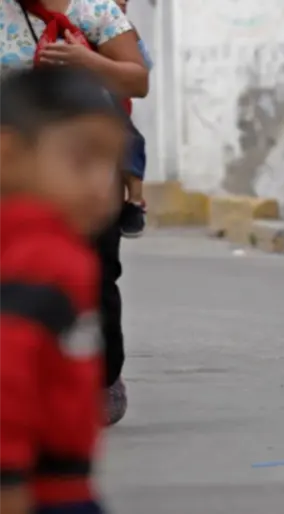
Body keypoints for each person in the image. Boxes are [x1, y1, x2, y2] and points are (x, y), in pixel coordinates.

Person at [0, 0, 151, 425]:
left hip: (85, 172)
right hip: (14, 174)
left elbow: (137, 81)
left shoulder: (96, 9)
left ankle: (103, 378)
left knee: (96, 273)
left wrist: (85, 61)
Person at [0, 65, 128, 514]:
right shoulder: (41, 258)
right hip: (44, 492)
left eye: (109, 165)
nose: (100, 186)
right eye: (80, 160)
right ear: (9, 157)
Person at [114, 0, 152, 239]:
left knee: (131, 140)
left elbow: (144, 67)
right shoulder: (81, 21)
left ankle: (135, 201)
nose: (123, 1)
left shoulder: (124, 30)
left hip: (115, 110)